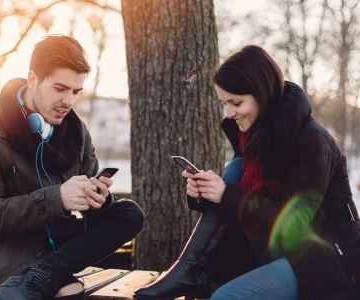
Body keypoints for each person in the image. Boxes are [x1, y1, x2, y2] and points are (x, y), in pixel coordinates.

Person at [134, 45, 360, 299]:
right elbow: (245, 197)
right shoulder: (255, 134)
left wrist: (225, 194)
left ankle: (191, 268)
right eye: (224, 103)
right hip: (271, 245)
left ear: (262, 93)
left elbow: (293, 224)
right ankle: (192, 266)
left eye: (236, 102)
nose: (229, 113)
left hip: (323, 258)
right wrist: (206, 192)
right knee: (237, 169)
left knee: (225, 297)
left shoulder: (313, 142)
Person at [0, 35, 144, 300]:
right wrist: (57, 198)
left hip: (57, 235)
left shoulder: (76, 131)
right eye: (60, 88)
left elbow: (93, 206)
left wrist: (98, 199)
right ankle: (45, 276)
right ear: (33, 79)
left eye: (75, 92)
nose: (68, 101)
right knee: (68, 290)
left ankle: (43, 273)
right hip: (0, 242)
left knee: (129, 214)